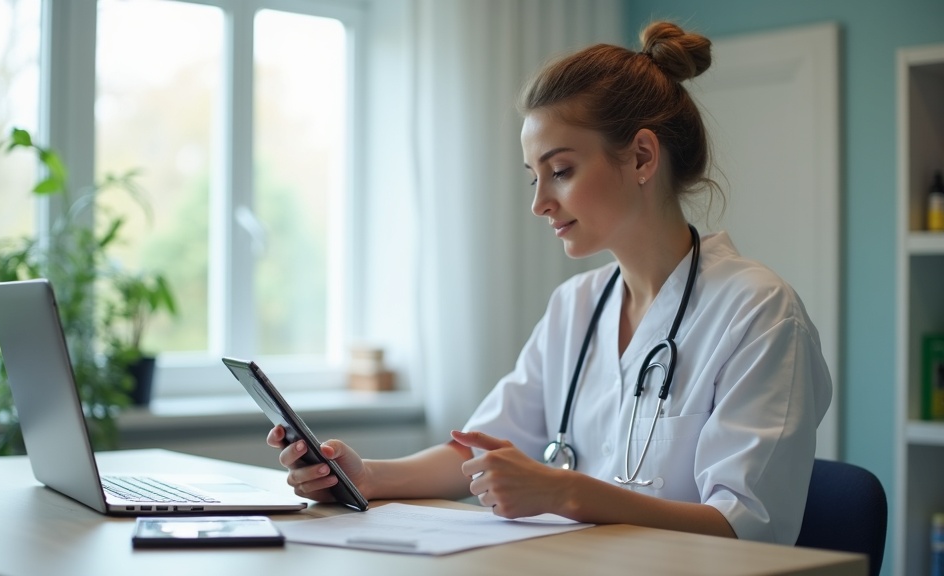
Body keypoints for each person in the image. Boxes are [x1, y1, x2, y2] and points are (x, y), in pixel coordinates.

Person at [267, 21, 832, 546]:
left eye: (559, 171)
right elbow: (477, 449)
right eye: (534, 177)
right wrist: (363, 475)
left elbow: (746, 528)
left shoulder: (757, 312)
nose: (539, 203)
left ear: (640, 156)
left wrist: (565, 491)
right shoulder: (576, 306)